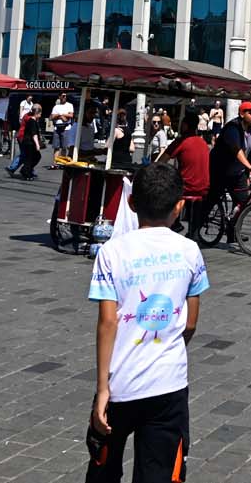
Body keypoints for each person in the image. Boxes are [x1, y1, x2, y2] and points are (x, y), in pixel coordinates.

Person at [85, 162, 209, 483]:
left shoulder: (111, 252)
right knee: (159, 473)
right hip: (168, 385)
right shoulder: (190, 251)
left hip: (120, 384)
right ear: (179, 206)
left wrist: (102, 389)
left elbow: (107, 323)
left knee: (103, 468)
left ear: (131, 202)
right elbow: (191, 323)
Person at [207, 103, 251, 229]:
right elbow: (236, 149)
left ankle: (233, 231)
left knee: (242, 200)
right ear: (242, 114)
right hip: (221, 169)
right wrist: (249, 165)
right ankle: (195, 230)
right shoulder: (232, 128)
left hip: (238, 170)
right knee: (211, 199)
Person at [159, 117, 211, 238]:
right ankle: (193, 230)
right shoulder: (203, 142)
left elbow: (162, 160)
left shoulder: (181, 141)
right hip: (204, 185)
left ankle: (174, 222)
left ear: (185, 126)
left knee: (168, 188)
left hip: (188, 187)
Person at [13, 104, 43, 180]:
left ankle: (26, 170)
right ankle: (26, 172)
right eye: (40, 113)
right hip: (29, 142)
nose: (41, 115)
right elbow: (34, 134)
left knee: (34, 157)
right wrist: (37, 144)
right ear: (37, 113)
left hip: (27, 141)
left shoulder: (32, 119)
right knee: (30, 158)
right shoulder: (32, 121)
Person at [51, 93, 75, 158]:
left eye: (65, 96)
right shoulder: (56, 106)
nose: (65, 97)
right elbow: (52, 117)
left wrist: (61, 114)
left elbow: (71, 115)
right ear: (59, 97)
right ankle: (55, 162)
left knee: (64, 147)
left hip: (66, 128)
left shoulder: (69, 105)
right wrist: (61, 116)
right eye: (63, 96)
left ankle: (62, 162)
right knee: (56, 147)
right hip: (57, 128)